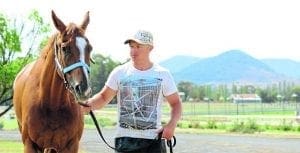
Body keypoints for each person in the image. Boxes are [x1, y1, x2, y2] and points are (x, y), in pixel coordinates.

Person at [83, 30, 182, 153]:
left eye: (138, 47)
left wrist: (172, 124)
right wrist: (87, 105)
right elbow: (103, 98)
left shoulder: (163, 74)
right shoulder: (119, 73)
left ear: (150, 48)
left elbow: (176, 103)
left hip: (153, 141)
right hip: (125, 142)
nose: (133, 51)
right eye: (131, 46)